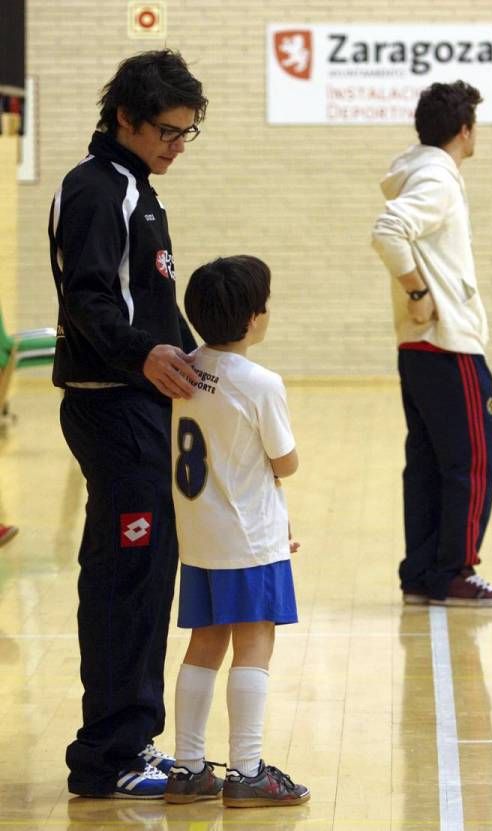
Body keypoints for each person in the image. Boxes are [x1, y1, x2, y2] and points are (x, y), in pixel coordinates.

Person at [48, 50, 208, 799]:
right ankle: (108, 754)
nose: (178, 145)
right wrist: (146, 354)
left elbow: (153, 306)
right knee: (123, 576)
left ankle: (132, 739)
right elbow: (90, 301)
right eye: (168, 132)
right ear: (126, 120)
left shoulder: (139, 191)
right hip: (110, 405)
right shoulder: (93, 192)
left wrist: (205, 368)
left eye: (187, 133)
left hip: (143, 406)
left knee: (146, 576)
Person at [165, 255, 310, 807]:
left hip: (199, 534)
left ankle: (187, 766)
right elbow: (286, 461)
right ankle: (247, 772)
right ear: (254, 317)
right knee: (255, 643)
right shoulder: (260, 383)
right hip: (249, 539)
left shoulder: (185, 366)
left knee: (204, 645)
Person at [372, 81, 492, 608]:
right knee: (471, 461)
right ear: (464, 130)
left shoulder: (419, 172)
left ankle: (423, 572)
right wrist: (419, 291)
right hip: (448, 343)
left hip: (420, 347)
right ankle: (455, 569)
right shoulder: (437, 179)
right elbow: (388, 230)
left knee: (429, 463)